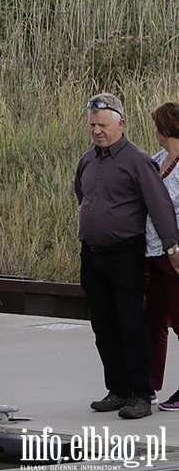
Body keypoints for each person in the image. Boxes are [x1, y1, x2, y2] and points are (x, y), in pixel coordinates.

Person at [76, 93, 179, 420]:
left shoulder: (137, 161)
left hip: (125, 255)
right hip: (92, 255)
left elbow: (160, 206)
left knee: (133, 325)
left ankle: (141, 393)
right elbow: (81, 192)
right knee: (103, 326)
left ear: (120, 123)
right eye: (92, 125)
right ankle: (117, 389)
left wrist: (172, 247)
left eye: (103, 125)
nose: (97, 131)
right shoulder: (87, 160)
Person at [143, 102, 179, 410]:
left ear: (164, 129)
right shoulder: (156, 160)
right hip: (152, 252)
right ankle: (150, 383)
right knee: (154, 318)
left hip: (175, 254)